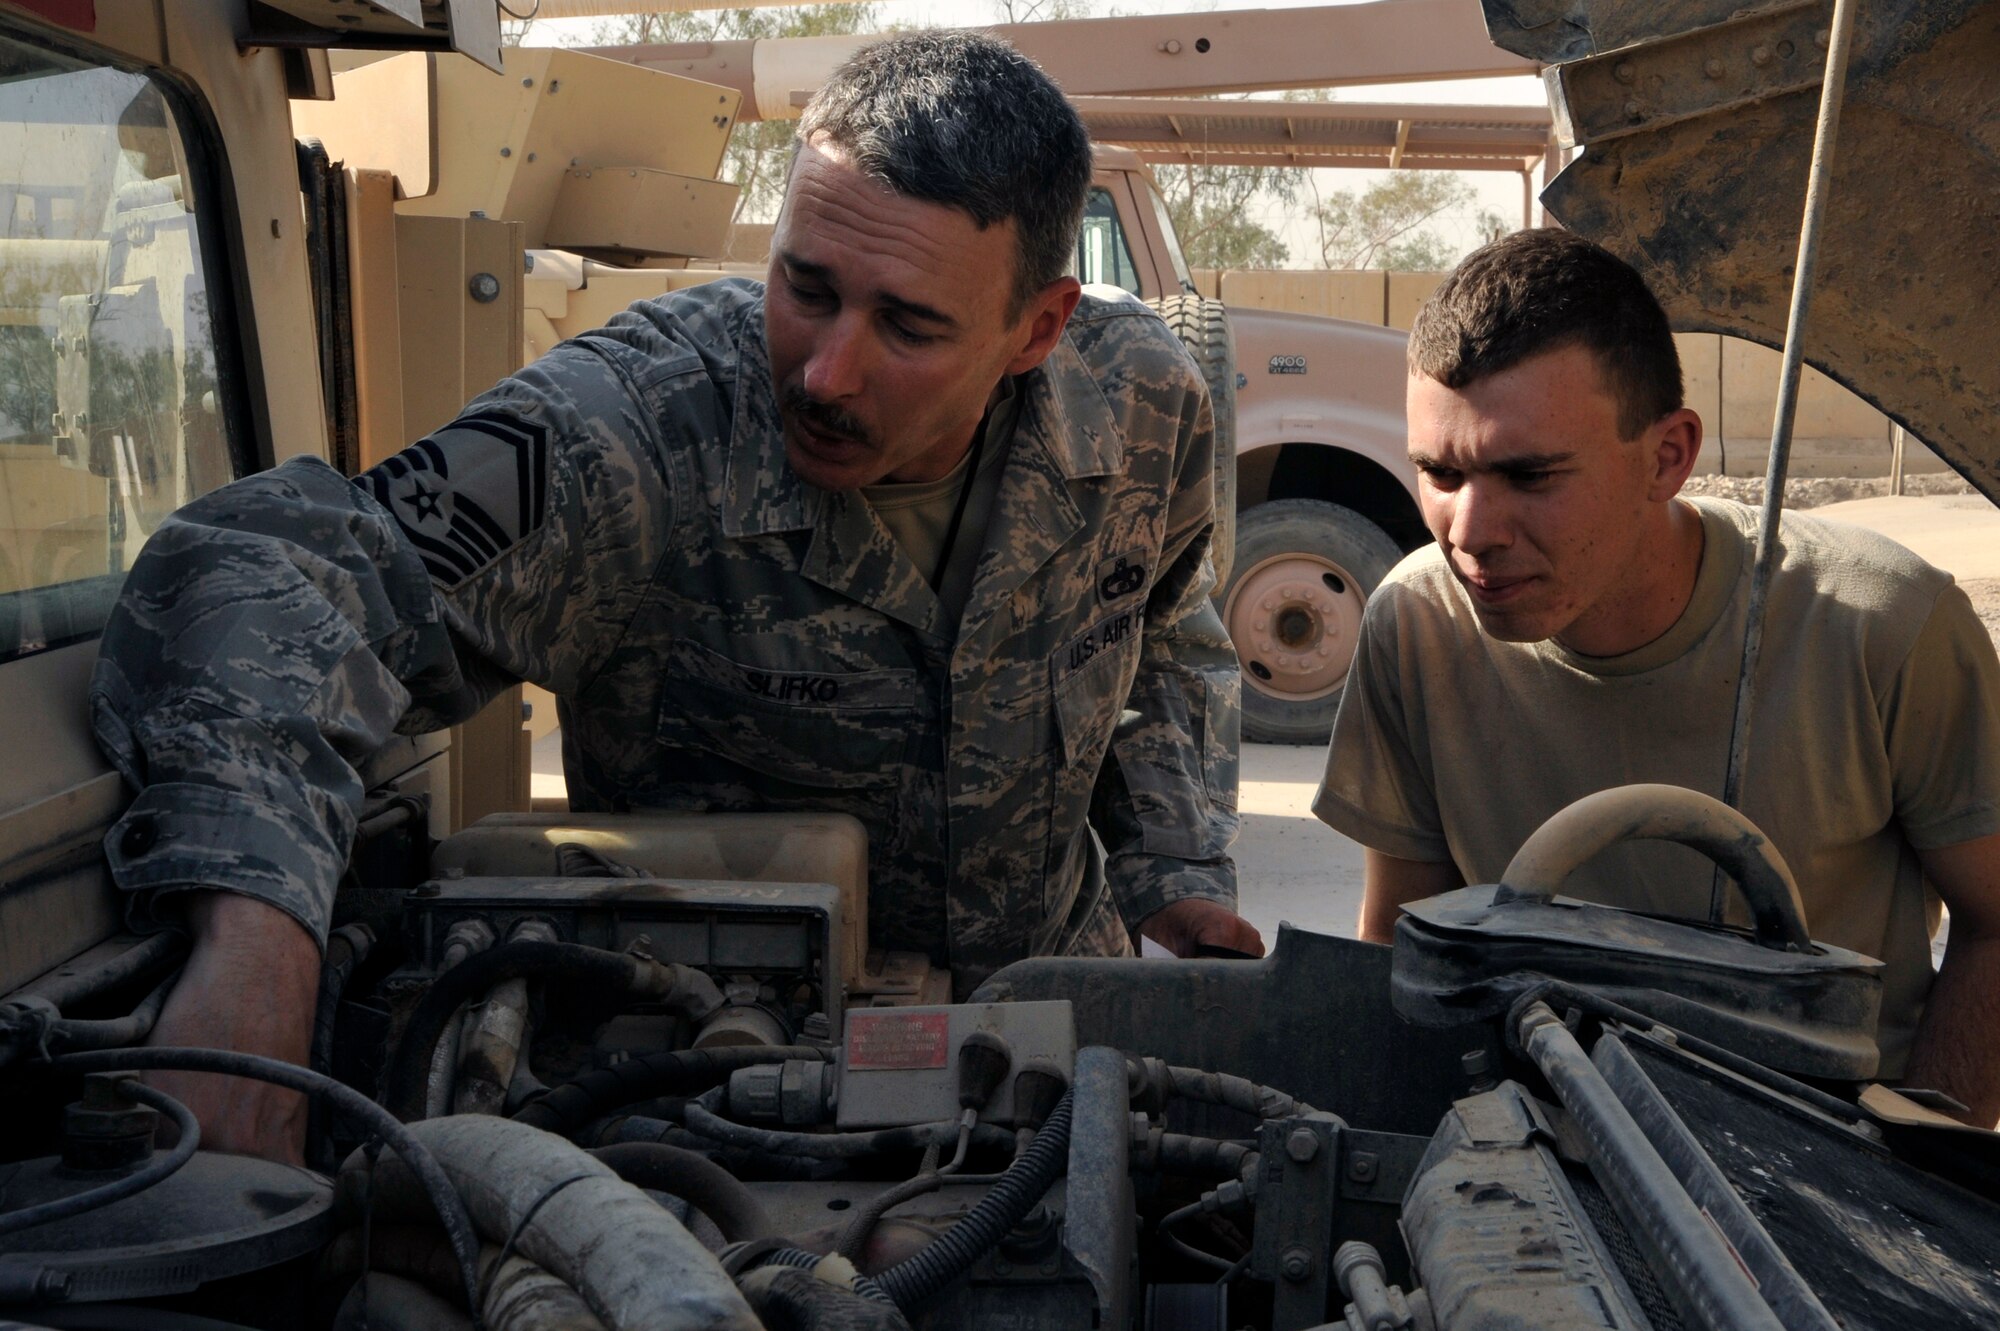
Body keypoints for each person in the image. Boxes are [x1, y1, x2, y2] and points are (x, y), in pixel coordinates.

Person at [91, 31, 1260, 1160]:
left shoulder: (1142, 405)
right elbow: (261, 570)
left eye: (907, 325)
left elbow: (1163, 629)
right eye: (805, 286)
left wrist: (1173, 870)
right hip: (721, 1087)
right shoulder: (636, 429)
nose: (824, 372)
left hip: (1051, 1051)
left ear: (1036, 328)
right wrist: (257, 931)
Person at [1314, 228, 2000, 1123]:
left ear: (1668, 456)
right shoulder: (1415, 626)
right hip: (1532, 1152)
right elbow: (1406, 946)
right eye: (1440, 472)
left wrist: (1915, 1165)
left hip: (1828, 1151)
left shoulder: (1885, 625)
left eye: (1530, 474)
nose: (1470, 531)